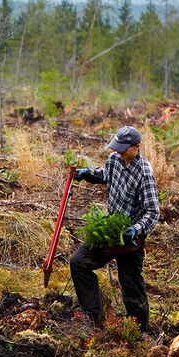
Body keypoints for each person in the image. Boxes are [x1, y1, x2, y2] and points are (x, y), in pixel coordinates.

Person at [70, 125, 160, 333]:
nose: (118, 150)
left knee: (130, 282)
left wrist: (136, 229)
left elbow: (153, 212)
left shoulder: (145, 172)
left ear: (136, 147)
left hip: (130, 237)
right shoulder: (114, 160)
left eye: (123, 147)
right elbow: (105, 174)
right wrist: (88, 174)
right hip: (110, 229)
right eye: (117, 146)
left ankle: (139, 329)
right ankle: (93, 316)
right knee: (78, 263)